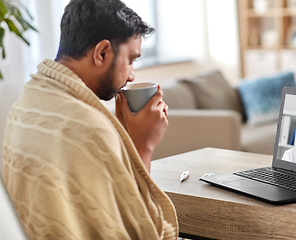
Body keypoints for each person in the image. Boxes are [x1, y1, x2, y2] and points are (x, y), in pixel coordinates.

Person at [2, 0, 178, 239]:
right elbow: (143, 232)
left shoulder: (28, 101)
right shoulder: (90, 129)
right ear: (102, 53)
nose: (131, 75)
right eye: (131, 60)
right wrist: (142, 146)